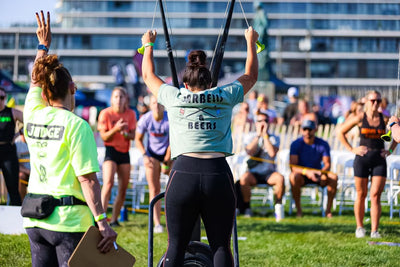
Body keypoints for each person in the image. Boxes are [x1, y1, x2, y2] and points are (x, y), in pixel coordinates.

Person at [141, 25, 258, 266]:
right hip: (218, 174)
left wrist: (148, 45)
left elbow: (148, 77)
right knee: (220, 247)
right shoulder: (224, 95)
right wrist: (251, 42)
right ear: (211, 83)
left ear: (185, 85)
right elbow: (251, 76)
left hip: (184, 173)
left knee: (176, 245)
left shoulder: (176, 97)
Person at [23, 11, 116, 266]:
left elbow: (34, 81)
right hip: (68, 221)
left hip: (35, 218)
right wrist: (103, 223)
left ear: (45, 91)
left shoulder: (32, 113)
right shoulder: (77, 125)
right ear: (72, 88)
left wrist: (43, 46)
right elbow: (87, 179)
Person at [337, 90, 396, 238]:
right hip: (362, 158)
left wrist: (390, 150)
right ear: (367, 102)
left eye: (378, 101)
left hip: (379, 159)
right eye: (372, 101)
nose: (375, 103)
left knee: (375, 195)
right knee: (361, 194)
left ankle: (374, 230)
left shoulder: (385, 118)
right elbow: (340, 132)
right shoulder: (359, 117)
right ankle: (360, 227)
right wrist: (352, 148)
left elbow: (396, 132)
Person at [98, 86, 137, 227]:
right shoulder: (105, 114)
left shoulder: (131, 114)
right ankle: (100, 219)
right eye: (116, 97)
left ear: (126, 99)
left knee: (123, 187)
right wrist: (116, 129)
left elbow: (133, 136)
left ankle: (114, 219)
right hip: (111, 151)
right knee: (108, 183)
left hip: (124, 152)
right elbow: (104, 136)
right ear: (111, 99)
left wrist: (125, 133)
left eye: (121, 97)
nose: (119, 100)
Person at [238, 110, 285, 221]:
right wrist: (258, 136)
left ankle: (278, 208)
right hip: (253, 172)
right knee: (244, 179)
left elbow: (272, 153)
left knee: (280, 179)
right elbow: (249, 151)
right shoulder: (250, 137)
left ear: (269, 123)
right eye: (260, 121)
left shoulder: (274, 138)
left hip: (269, 173)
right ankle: (247, 207)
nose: (263, 123)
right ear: (255, 123)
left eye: (265, 121)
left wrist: (265, 136)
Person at [135, 95, 171, 234]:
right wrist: (145, 155)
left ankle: (171, 222)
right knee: (154, 189)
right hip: (152, 154)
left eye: (159, 103)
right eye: (154, 103)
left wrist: (167, 162)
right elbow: (138, 139)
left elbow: (174, 140)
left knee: (172, 188)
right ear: (150, 105)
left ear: (163, 105)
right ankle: (157, 223)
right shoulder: (145, 119)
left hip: (168, 152)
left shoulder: (169, 118)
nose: (157, 105)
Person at [289, 119, 338, 218]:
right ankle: (299, 210)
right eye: (305, 129)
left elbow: (327, 164)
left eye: (310, 129)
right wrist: (306, 172)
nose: (307, 132)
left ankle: (328, 210)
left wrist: (321, 173)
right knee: (293, 177)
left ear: (315, 130)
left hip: (318, 173)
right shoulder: (296, 144)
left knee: (333, 177)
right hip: (302, 175)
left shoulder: (323, 144)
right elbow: (293, 166)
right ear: (301, 130)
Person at [0, 86, 23, 206]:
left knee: (12, 187)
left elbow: (28, 121)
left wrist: (19, 133)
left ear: (5, 98)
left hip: (8, 151)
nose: (0, 100)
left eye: (2, 97)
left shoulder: (12, 112)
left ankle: (15, 216)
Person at [15, 128, 30, 200]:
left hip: (39, 171)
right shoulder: (16, 143)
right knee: (20, 176)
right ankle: (22, 204)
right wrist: (27, 171)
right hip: (25, 172)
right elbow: (14, 163)